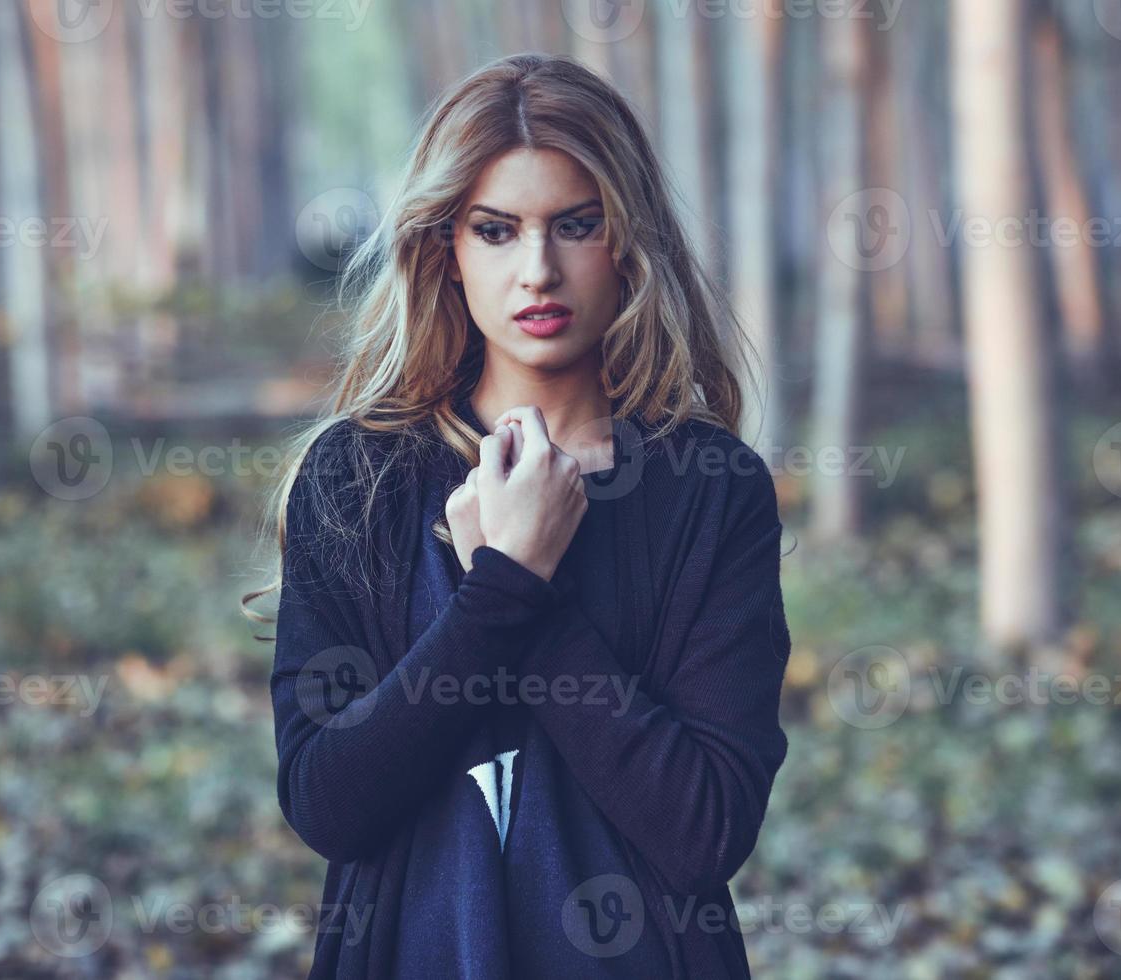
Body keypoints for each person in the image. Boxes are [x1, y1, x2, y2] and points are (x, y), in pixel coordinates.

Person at [246, 52, 792, 979]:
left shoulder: (709, 486)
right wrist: (501, 592)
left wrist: (520, 590)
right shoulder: (356, 478)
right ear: (444, 252)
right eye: (495, 231)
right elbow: (327, 805)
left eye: (574, 226)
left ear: (626, 243)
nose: (537, 270)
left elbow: (702, 831)